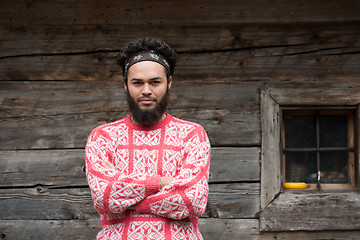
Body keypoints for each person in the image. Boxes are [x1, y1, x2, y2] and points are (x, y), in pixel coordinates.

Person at [85, 37, 211, 240]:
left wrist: (129, 201)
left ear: (169, 82)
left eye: (155, 82)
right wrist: (161, 183)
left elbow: (192, 200)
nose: (146, 90)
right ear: (125, 85)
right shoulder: (103, 137)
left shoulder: (192, 134)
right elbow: (103, 196)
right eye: (137, 83)